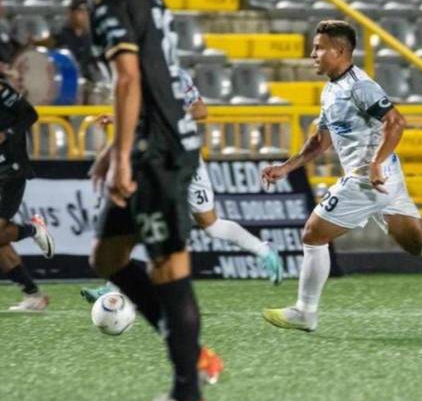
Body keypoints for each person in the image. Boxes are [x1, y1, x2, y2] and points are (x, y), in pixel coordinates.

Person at [262, 20, 422, 333]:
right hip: (387, 178)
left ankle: (305, 311)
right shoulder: (332, 89)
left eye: (319, 48)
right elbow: (321, 140)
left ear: (340, 50)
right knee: (417, 243)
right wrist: (286, 167)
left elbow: (396, 121)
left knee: (313, 235)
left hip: (368, 178)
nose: (312, 54)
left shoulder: (360, 86)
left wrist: (375, 163)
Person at [82, 0, 206, 401]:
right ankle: (191, 354)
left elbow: (130, 77)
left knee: (169, 267)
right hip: (147, 142)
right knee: (107, 257)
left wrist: (121, 157)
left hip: (159, 151)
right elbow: (153, 76)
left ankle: (187, 395)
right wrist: (114, 149)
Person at [80, 67, 283, 302]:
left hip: (184, 159)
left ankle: (263, 250)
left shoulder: (173, 74)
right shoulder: (133, 77)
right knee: (141, 218)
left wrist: (168, 113)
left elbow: (200, 110)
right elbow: (142, 114)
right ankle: (115, 287)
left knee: (211, 225)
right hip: (154, 159)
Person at [0, 73, 55, 311]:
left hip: (11, 169)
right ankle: (33, 295)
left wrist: (6, 135)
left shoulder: (1, 90)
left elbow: (30, 114)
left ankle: (33, 229)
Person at [36, 0, 95, 80]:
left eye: (86, 12)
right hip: (64, 80)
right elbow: (43, 46)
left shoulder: (90, 37)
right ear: (71, 13)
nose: (84, 15)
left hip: (85, 79)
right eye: (80, 11)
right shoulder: (60, 34)